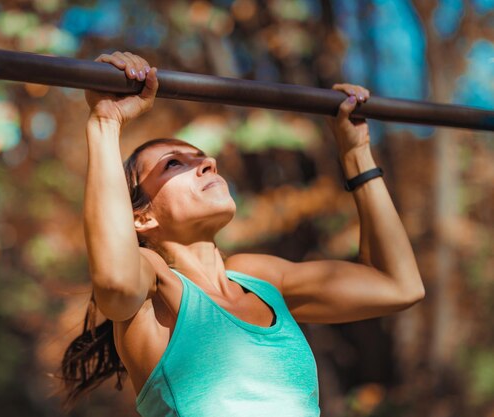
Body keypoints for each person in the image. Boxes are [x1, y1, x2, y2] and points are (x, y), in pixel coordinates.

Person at [60, 51, 424, 417]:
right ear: (140, 219)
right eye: (174, 164)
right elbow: (116, 282)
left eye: (202, 157)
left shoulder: (261, 278)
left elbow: (399, 285)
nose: (208, 163)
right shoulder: (155, 291)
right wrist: (105, 122)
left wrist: (357, 153)